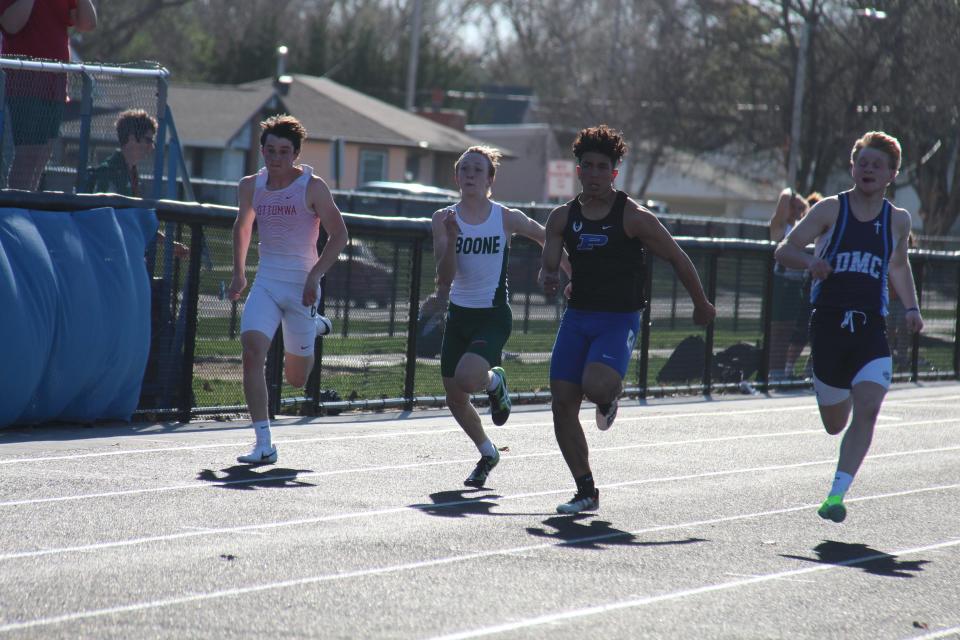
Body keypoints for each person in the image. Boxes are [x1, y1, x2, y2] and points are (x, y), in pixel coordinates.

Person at [541, 124, 716, 514]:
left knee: (595, 385)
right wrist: (550, 277)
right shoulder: (561, 218)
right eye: (588, 166)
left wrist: (701, 303)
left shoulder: (634, 217)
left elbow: (676, 257)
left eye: (603, 167)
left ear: (614, 172)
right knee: (562, 402)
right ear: (579, 170)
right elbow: (548, 266)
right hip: (578, 317)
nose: (595, 174)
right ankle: (585, 490)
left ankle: (610, 396)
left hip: (618, 319)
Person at [774, 131, 923, 523]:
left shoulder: (898, 220)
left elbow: (897, 265)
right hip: (828, 326)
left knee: (870, 409)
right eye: (863, 162)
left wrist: (911, 307)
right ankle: (825, 391)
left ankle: (836, 495)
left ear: (892, 174)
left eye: (878, 164)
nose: (869, 169)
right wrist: (811, 263)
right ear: (853, 167)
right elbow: (784, 249)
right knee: (834, 422)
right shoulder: (829, 210)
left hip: (871, 329)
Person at [433, 145, 570, 488]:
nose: (470, 176)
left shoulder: (505, 217)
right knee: (455, 397)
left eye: (478, 170)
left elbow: (546, 238)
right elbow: (445, 276)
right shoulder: (444, 218)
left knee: (467, 378)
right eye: (464, 170)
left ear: (490, 178)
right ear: (456, 177)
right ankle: (487, 451)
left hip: (492, 316)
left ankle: (496, 382)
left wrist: (570, 275)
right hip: (459, 316)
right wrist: (451, 241)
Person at [228, 114, 347, 465]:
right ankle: (263, 442)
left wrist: (314, 277)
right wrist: (239, 273)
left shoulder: (312, 186)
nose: (275, 157)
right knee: (251, 352)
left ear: (295, 154)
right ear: (262, 151)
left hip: (302, 288)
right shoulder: (251, 186)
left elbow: (339, 235)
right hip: (266, 282)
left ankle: (312, 325)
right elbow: (242, 226)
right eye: (269, 150)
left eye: (283, 151)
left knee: (296, 379)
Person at [0, 0, 97, 190]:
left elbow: (87, 23)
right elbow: (11, 25)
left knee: (42, 156)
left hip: (55, 83)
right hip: (23, 82)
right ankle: (14, 211)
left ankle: (29, 208)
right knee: (26, 156)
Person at [83, 108, 187, 257]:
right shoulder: (108, 173)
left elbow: (135, 220)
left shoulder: (131, 174)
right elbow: (100, 223)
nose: (151, 147)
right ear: (132, 138)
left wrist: (167, 243)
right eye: (148, 140)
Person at [768, 189, 822, 379]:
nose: (799, 211)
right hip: (781, 283)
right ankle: (773, 373)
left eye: (802, 208)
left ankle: (782, 373)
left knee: (790, 330)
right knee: (778, 331)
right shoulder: (780, 227)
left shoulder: (802, 228)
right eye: (795, 207)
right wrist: (790, 193)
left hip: (797, 285)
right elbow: (783, 198)